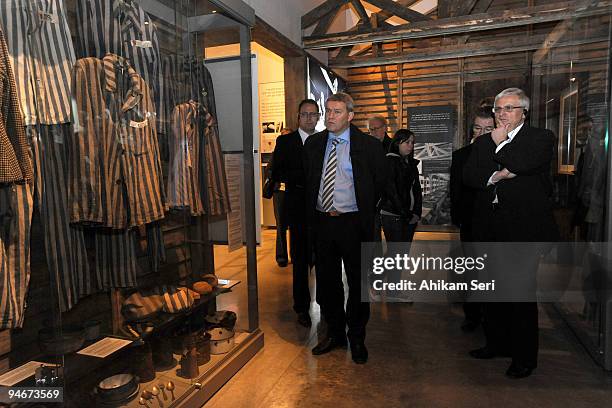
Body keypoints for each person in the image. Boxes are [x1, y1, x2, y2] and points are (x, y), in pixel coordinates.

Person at [463, 87, 558, 379]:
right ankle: (496, 344)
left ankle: (524, 358)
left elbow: (522, 163)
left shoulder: (541, 137)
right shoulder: (487, 140)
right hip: (490, 230)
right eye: (498, 109)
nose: (502, 114)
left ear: (524, 112)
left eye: (509, 108)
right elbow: (469, 176)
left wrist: (496, 159)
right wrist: (497, 171)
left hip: (523, 233)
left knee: (519, 297)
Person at [303, 92, 387, 364]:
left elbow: (380, 184)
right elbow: (308, 183)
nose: (330, 116)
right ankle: (335, 333)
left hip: (353, 222)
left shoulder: (369, 146)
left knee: (358, 281)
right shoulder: (314, 144)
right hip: (322, 223)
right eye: (327, 111)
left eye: (337, 111)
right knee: (327, 284)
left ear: (350, 116)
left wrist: (366, 212)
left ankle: (357, 336)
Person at [270, 100, 319, 327]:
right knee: (299, 261)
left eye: (313, 114)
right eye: (305, 114)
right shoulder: (285, 141)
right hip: (298, 207)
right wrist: (299, 178)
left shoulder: (324, 140)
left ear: (318, 117)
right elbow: (277, 170)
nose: (309, 118)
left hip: (322, 209)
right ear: (298, 117)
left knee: (323, 260)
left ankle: (327, 305)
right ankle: (302, 308)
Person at [450, 108, 494, 332]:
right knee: (472, 272)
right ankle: (473, 315)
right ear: (472, 130)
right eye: (478, 128)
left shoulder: (504, 156)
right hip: (470, 225)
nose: (482, 133)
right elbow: (455, 191)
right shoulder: (460, 156)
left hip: (497, 227)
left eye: (488, 129)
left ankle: (493, 318)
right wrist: (459, 219)